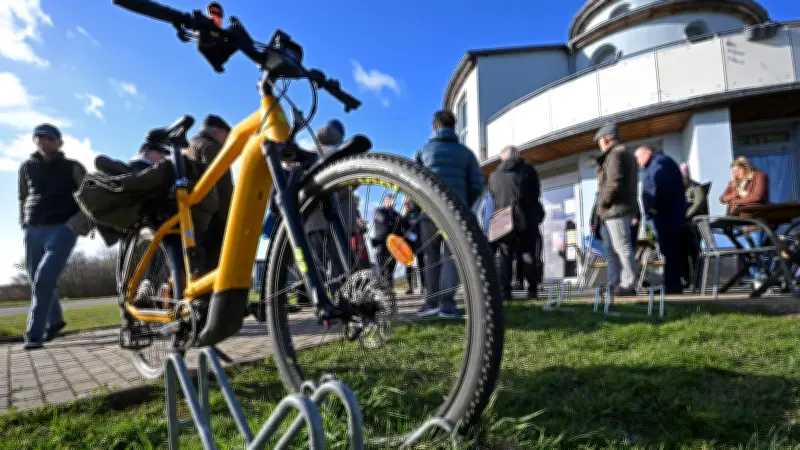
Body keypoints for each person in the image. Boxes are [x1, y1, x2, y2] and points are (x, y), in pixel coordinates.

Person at [18, 124, 92, 349]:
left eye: (48, 138)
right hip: (33, 230)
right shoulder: (26, 167)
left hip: (62, 229)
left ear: (59, 142)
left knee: (44, 278)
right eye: (38, 137)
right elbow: (22, 196)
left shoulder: (73, 167)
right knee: (37, 280)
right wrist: (24, 222)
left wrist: (75, 225)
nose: (43, 141)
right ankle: (56, 320)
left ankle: (34, 335)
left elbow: (91, 198)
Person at [414, 110, 484, 317]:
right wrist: (464, 205)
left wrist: (420, 207)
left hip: (429, 212)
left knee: (430, 256)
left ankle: (431, 302)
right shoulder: (467, 153)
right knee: (451, 256)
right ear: (454, 128)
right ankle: (447, 303)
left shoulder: (423, 151)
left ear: (434, 127)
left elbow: (414, 183)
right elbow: (477, 185)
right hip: (456, 212)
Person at [488, 145, 545, 299]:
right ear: (516, 154)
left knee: (505, 256)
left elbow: (492, 198)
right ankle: (532, 289)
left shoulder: (493, 175)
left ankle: (505, 291)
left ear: (502, 158)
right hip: (526, 217)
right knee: (528, 253)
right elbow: (536, 193)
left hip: (502, 219)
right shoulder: (528, 170)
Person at [593, 123, 640, 296]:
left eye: (599, 141)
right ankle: (622, 283)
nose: (599, 144)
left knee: (622, 247)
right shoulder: (623, 152)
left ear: (605, 139)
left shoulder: (616, 153)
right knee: (619, 248)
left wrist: (603, 202)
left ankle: (628, 285)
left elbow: (614, 182)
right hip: (617, 209)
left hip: (616, 209)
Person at [634, 146, 687, 294]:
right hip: (667, 213)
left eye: (637, 158)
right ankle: (672, 283)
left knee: (670, 249)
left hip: (666, 214)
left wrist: (655, 207)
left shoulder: (659, 163)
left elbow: (662, 185)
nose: (637, 162)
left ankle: (673, 286)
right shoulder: (659, 162)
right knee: (669, 250)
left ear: (647, 153)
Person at [183, 115, 232, 275]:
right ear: (218, 132)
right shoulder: (211, 147)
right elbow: (223, 186)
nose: (227, 141)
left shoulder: (189, 146)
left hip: (191, 216)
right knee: (215, 267)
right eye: (226, 136)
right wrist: (231, 216)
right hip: (214, 219)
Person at [680, 162, 709, 287]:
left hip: (694, 225)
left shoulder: (696, 187)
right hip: (683, 226)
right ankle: (685, 279)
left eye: (684, 175)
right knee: (683, 253)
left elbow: (698, 204)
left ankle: (698, 279)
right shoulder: (679, 188)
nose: (682, 178)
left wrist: (685, 214)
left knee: (695, 253)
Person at [372, 193, 401, 283]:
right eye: (389, 200)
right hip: (381, 242)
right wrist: (395, 220)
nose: (392, 202)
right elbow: (383, 219)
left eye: (393, 201)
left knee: (392, 264)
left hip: (394, 242)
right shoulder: (378, 210)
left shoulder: (396, 213)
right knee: (381, 265)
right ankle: (380, 286)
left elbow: (402, 224)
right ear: (386, 201)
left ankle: (389, 286)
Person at [400, 197, 425, 295]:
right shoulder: (404, 215)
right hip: (408, 243)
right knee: (408, 265)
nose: (406, 206)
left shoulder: (417, 211)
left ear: (412, 203)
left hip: (418, 242)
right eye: (404, 204)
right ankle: (410, 287)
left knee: (421, 264)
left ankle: (424, 286)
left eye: (407, 203)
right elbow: (400, 228)